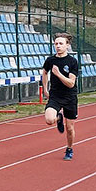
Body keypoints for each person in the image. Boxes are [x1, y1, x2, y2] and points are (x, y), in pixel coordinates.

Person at [42, 32, 79, 160]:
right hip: (55, 96)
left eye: (61, 43)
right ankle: (58, 118)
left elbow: (71, 83)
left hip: (70, 97)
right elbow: (45, 73)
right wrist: (45, 89)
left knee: (69, 128)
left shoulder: (72, 62)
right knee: (49, 120)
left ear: (67, 45)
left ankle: (69, 149)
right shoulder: (50, 60)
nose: (58, 46)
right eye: (56, 44)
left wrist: (58, 74)